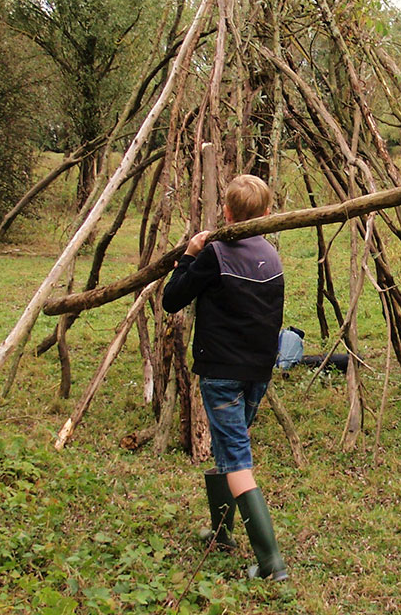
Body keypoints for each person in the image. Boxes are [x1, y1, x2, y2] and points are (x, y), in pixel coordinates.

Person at [161, 174, 288, 581]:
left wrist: (188, 255)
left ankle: (271, 563)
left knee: (235, 457)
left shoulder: (215, 255)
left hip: (221, 373)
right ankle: (221, 534)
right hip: (258, 371)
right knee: (226, 446)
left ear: (227, 213)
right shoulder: (273, 254)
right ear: (266, 214)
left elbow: (172, 298)